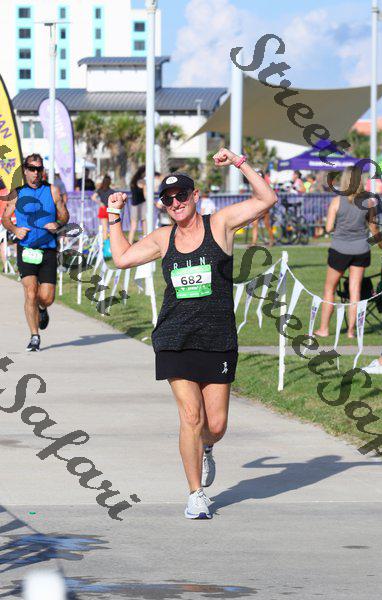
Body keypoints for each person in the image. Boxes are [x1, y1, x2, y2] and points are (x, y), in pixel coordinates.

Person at [106, 148, 277, 519]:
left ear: (195, 195)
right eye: (168, 200)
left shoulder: (221, 225)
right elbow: (121, 258)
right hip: (174, 338)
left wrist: (239, 162)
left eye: (181, 195)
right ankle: (195, 494)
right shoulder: (162, 237)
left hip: (218, 338)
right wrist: (114, 215)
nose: (176, 203)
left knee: (215, 425)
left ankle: (207, 447)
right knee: (190, 416)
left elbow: (267, 199)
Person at [2, 153, 69, 351]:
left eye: (39, 169)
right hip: (26, 249)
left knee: (47, 297)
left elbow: (65, 215)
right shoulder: (17, 193)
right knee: (30, 292)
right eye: (32, 169)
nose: (35, 173)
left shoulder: (52, 191)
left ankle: (42, 308)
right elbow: (5, 218)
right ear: (25, 170)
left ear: (42, 171)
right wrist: (15, 230)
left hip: (48, 249)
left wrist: (57, 224)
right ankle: (34, 336)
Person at [315, 167, 382, 339]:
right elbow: (374, 228)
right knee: (355, 291)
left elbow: (328, 228)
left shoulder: (336, 201)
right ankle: (351, 331)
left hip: (340, 249)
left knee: (329, 289)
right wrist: (381, 244)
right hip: (361, 250)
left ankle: (324, 329)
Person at [91, 175, 115, 241]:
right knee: (112, 228)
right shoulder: (112, 191)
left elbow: (93, 197)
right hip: (110, 209)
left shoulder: (100, 190)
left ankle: (105, 242)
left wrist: (100, 203)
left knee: (105, 228)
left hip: (103, 209)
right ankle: (111, 242)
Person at [128, 166, 146, 244]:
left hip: (134, 205)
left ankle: (129, 243)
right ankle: (146, 242)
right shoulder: (143, 182)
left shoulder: (133, 181)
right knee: (144, 224)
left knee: (133, 226)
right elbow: (146, 195)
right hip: (142, 204)